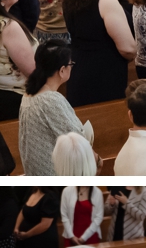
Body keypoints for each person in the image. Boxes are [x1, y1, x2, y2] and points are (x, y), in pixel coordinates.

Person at [18, 42, 93, 176]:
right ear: (62, 70)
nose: (72, 68)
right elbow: (77, 140)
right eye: (70, 64)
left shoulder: (29, 95)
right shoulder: (50, 100)